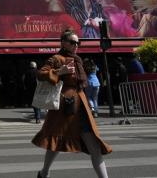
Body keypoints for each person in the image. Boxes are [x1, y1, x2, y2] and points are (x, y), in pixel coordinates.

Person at [32, 29, 112, 178]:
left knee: (94, 146)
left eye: (77, 42)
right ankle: (44, 172)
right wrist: (58, 72)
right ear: (63, 43)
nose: (76, 45)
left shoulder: (77, 59)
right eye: (72, 42)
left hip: (81, 107)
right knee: (55, 142)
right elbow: (41, 74)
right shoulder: (56, 58)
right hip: (64, 107)